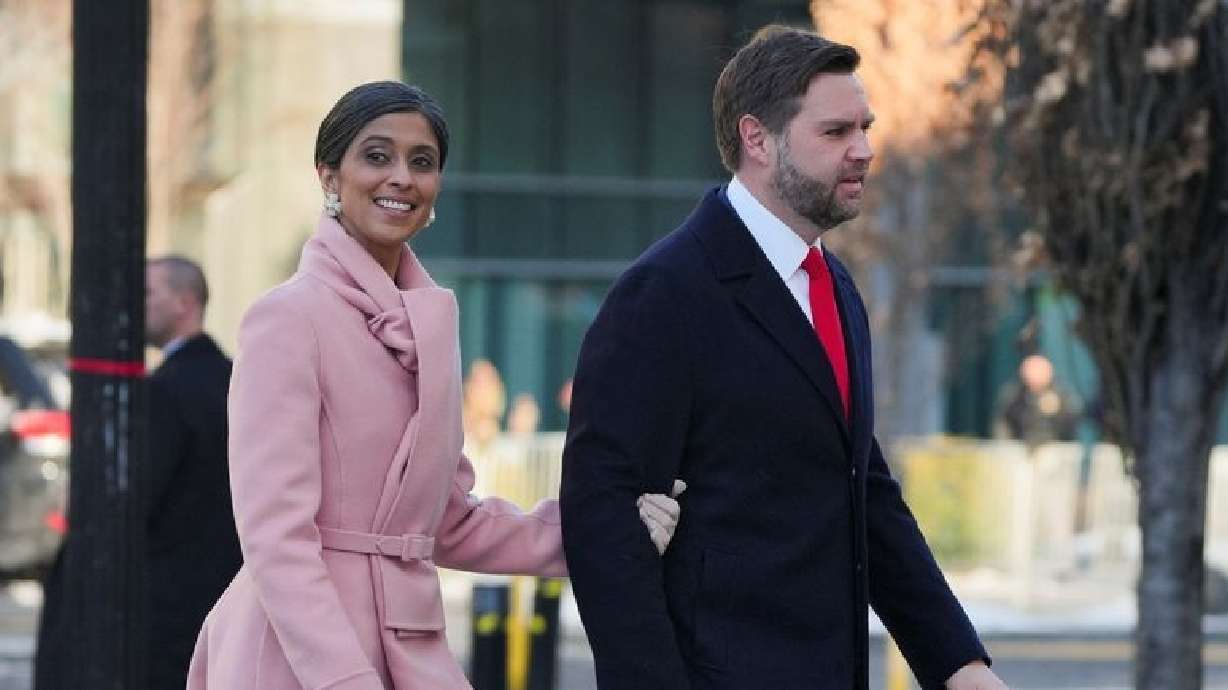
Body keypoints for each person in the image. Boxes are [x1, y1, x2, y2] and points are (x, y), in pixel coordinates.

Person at [186, 81, 681, 690]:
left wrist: (606, 529)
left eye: (422, 162)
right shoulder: (287, 318)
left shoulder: (432, 328)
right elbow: (276, 539)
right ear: (329, 176)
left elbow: (449, 524)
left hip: (412, 651)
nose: (401, 177)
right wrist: (344, 679)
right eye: (376, 155)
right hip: (298, 658)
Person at [560, 26, 1007, 690]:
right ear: (756, 139)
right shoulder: (665, 293)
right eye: (835, 132)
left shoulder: (837, 289)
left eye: (865, 127)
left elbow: (865, 496)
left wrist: (958, 665)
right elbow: (603, 525)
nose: (864, 150)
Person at [144, 255, 242, 689]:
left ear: (185, 302)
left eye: (148, 293)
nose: (137, 304)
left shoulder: (165, 390)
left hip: (168, 603)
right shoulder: (236, 378)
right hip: (233, 588)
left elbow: (143, 496)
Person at [993, 353, 1082, 450]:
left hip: (1055, 448)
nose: (1035, 376)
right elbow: (1003, 422)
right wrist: (1007, 445)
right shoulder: (1014, 394)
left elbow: (1073, 422)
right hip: (1020, 448)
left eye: (1039, 372)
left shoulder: (1062, 394)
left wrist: (1058, 409)